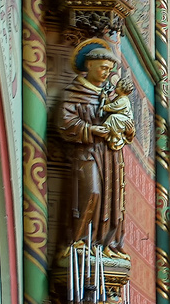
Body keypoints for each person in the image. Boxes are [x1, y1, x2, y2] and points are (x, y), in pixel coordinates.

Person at [57, 39, 135, 252]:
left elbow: (127, 126)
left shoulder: (111, 95)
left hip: (110, 154)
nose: (106, 73)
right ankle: (79, 241)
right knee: (92, 193)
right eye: (102, 68)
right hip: (86, 151)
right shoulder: (74, 92)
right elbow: (65, 122)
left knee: (112, 200)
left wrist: (128, 129)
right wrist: (91, 130)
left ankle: (104, 244)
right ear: (89, 65)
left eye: (109, 70)